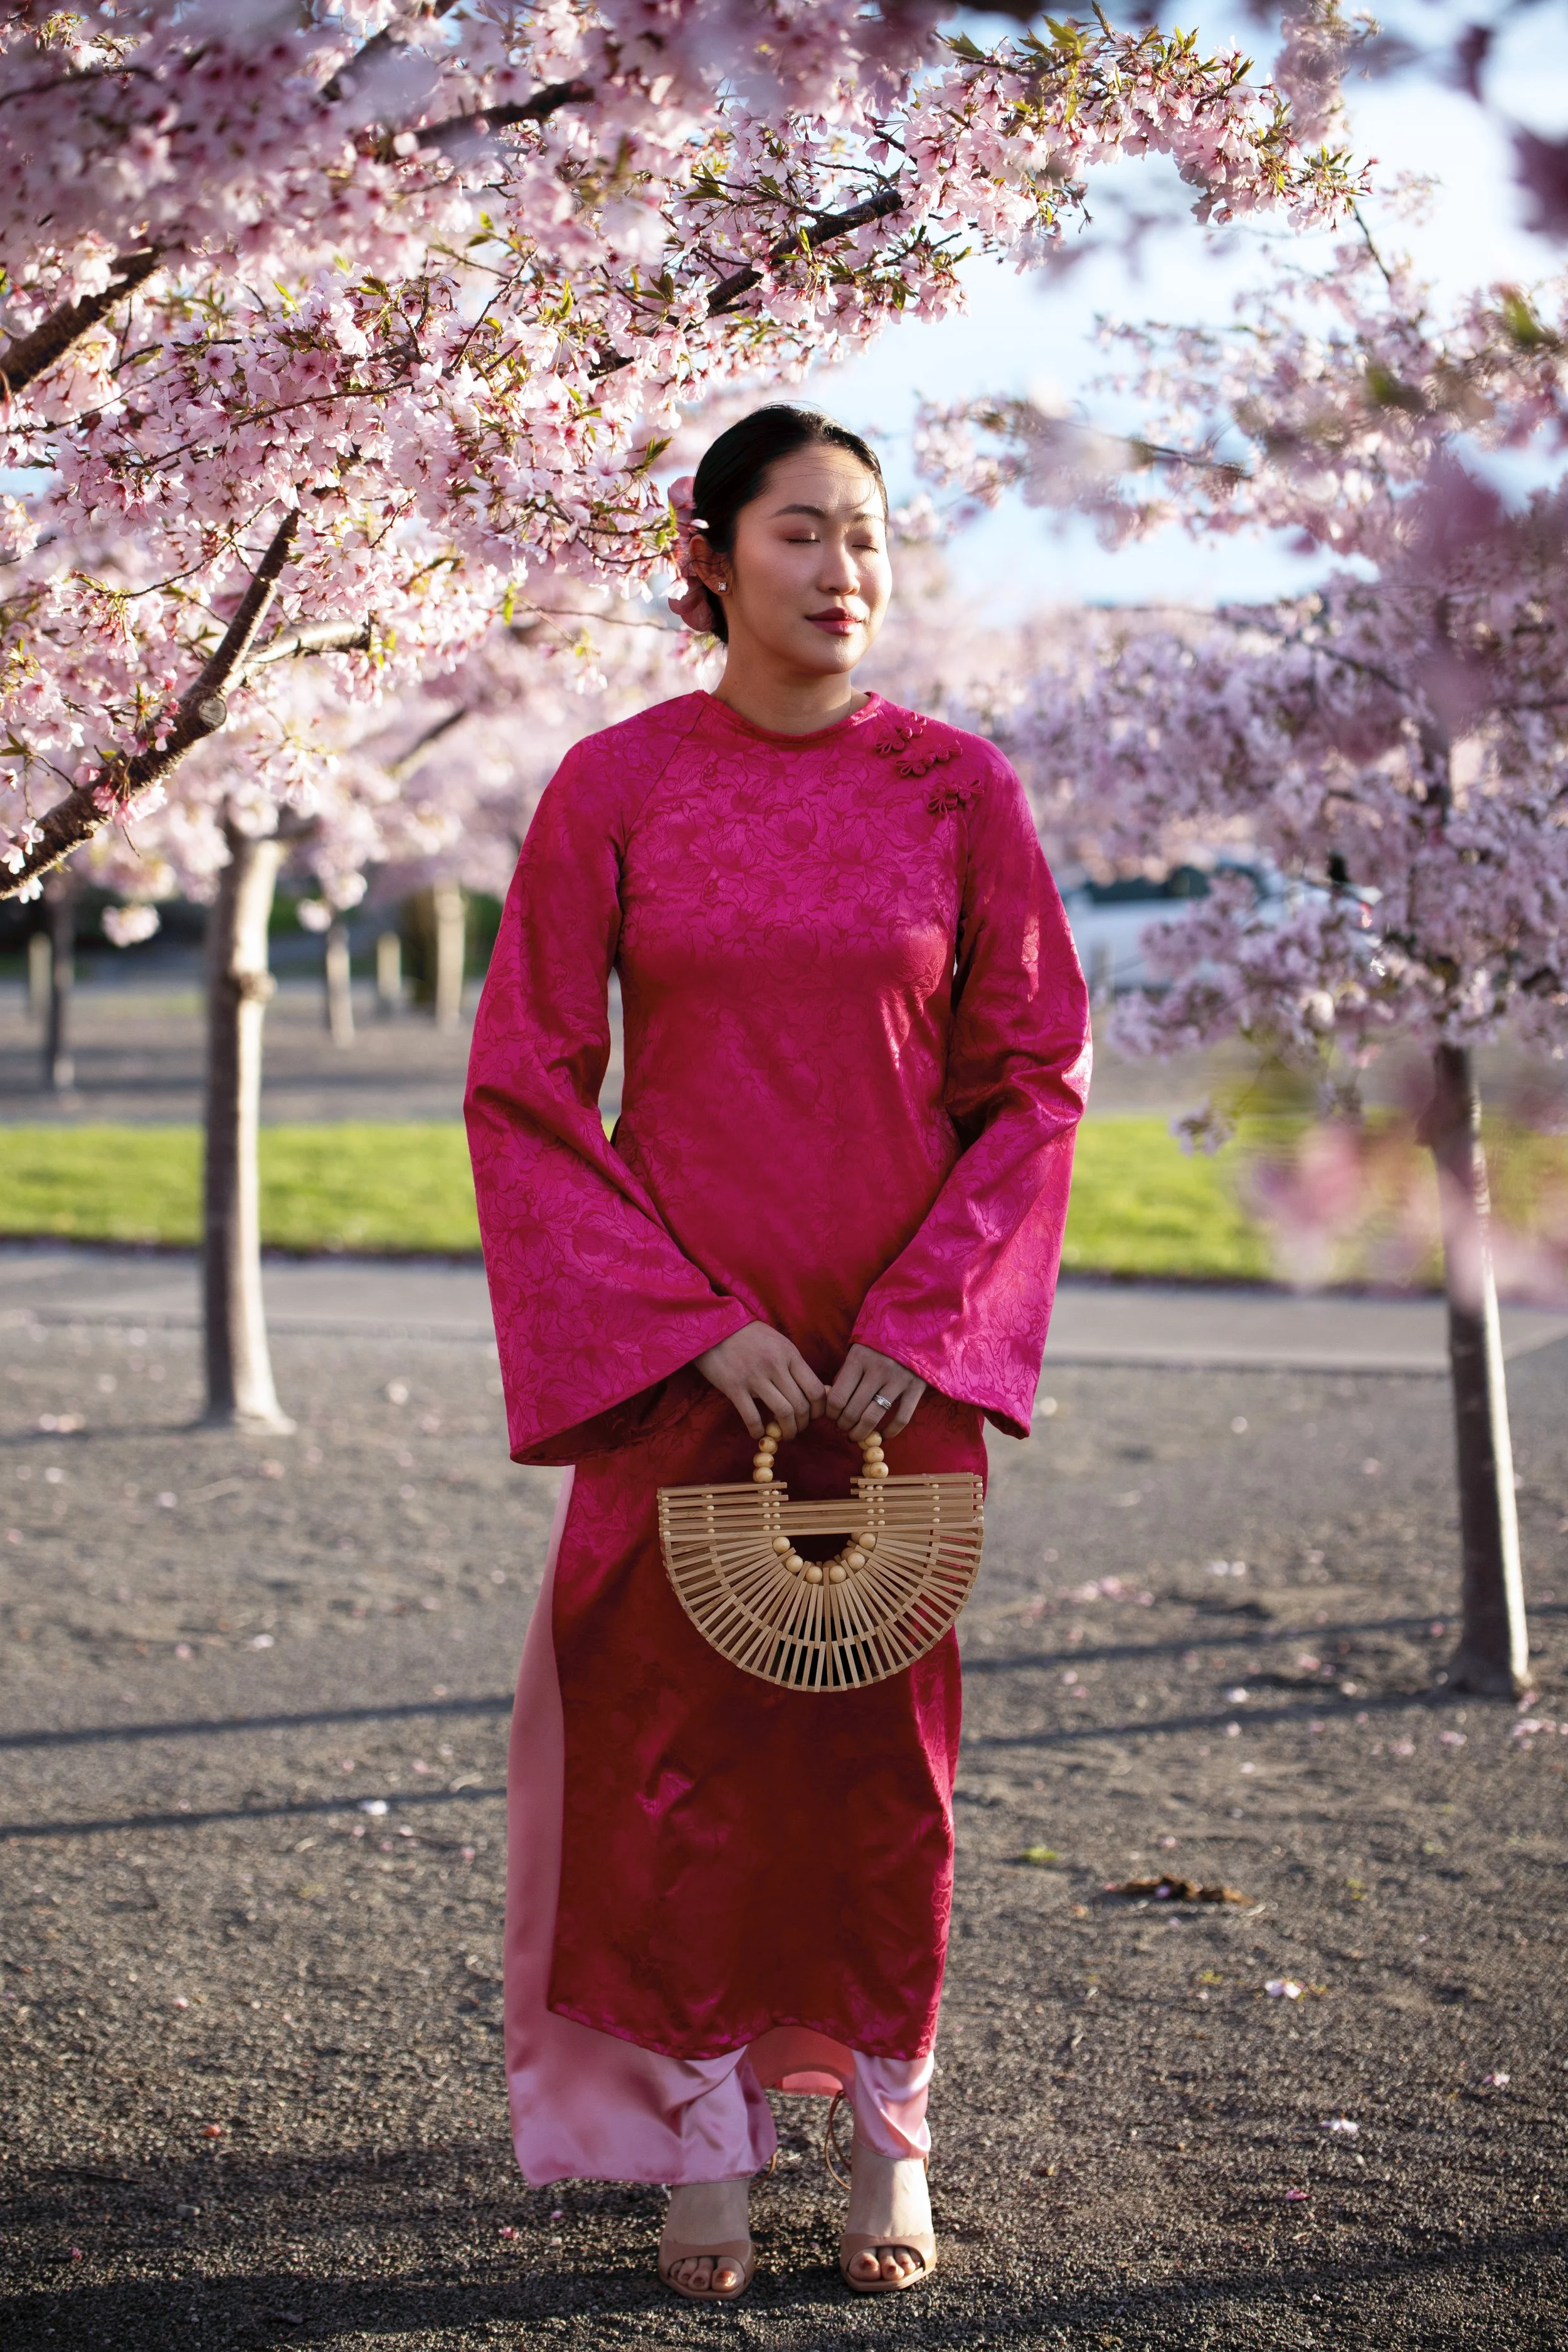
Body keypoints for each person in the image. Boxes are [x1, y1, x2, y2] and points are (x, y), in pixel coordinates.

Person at [464, 404, 1090, 2302]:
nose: (845, 570)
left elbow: (1033, 1082)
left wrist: (922, 1325)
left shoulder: (956, 790)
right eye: (804, 531)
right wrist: (688, 1323)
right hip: (686, 1361)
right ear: (711, 550)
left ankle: (889, 2139)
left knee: (883, 1765)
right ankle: (701, 2138)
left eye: (871, 535)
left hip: (893, 1380)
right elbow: (527, 1079)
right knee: (677, 1755)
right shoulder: (615, 785)